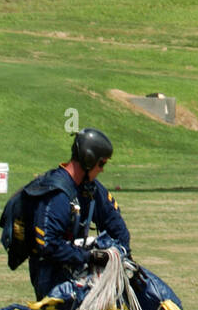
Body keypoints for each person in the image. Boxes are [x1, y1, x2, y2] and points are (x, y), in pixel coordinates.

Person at [24, 128, 131, 300]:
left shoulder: (90, 188)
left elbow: (114, 222)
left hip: (77, 269)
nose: (102, 170)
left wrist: (123, 254)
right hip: (50, 273)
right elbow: (48, 245)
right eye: (101, 164)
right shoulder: (57, 192)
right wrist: (88, 256)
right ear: (89, 160)